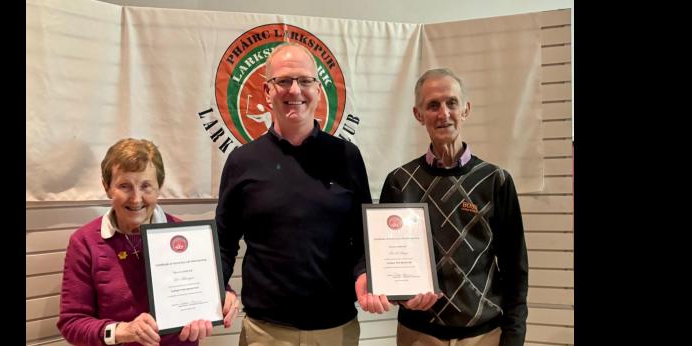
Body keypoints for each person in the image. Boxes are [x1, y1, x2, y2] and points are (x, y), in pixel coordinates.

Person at [215, 42, 372, 346]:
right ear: (267, 91)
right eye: (283, 81)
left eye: (305, 81)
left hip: (336, 331)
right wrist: (218, 285)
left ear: (318, 89)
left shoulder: (347, 156)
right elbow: (223, 242)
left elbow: (363, 236)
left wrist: (365, 272)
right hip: (265, 334)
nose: (295, 91)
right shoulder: (242, 161)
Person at [371, 68, 529, 345]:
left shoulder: (495, 180)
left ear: (465, 109)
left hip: (484, 336)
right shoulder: (399, 182)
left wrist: (513, 337)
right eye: (433, 105)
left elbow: (515, 269)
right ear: (418, 115)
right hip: (418, 335)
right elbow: (388, 266)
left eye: (451, 103)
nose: (443, 113)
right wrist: (402, 296)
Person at [57, 138, 240, 346]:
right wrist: (120, 331)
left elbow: (212, 286)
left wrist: (225, 298)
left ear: (159, 187)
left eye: (146, 186)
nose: (136, 199)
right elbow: (71, 323)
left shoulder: (185, 233)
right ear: (107, 187)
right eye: (124, 186)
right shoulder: (85, 242)